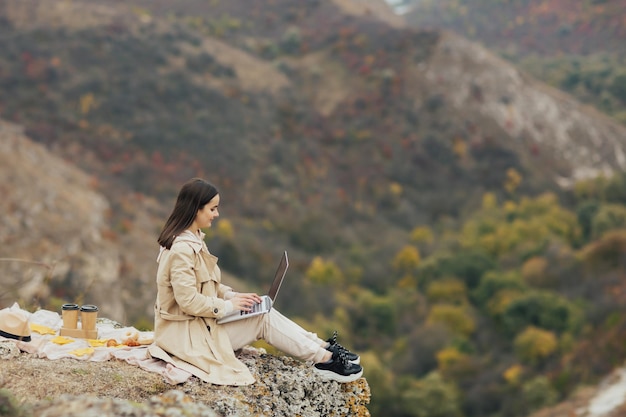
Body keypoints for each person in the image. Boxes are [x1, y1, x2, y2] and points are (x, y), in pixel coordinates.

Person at [148, 178, 363, 385]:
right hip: (187, 338)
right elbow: (188, 301)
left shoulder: (193, 239)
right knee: (262, 318)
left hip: (199, 327)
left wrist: (234, 296)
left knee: (261, 307)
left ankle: (324, 348)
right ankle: (324, 360)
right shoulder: (182, 249)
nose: (217, 214)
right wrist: (229, 307)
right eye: (212, 209)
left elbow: (204, 285)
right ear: (197, 209)